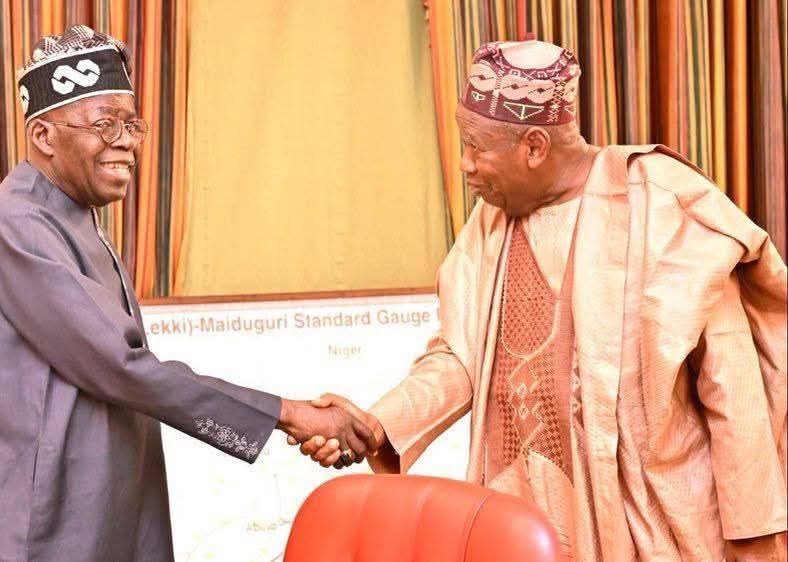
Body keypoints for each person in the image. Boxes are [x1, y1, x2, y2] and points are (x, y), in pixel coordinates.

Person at [294, 39, 787, 561]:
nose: (465, 165)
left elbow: (733, 387)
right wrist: (373, 426)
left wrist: (754, 538)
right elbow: (460, 358)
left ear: (533, 146)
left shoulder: (662, 204)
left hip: (649, 525)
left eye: (476, 147)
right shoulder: (492, 220)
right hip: (516, 517)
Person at [0, 26, 375, 562]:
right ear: (44, 137)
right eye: (104, 124)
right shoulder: (21, 224)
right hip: (33, 529)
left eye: (130, 124)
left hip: (94, 512)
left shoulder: (69, 215)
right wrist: (289, 413)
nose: (124, 141)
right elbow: (121, 366)